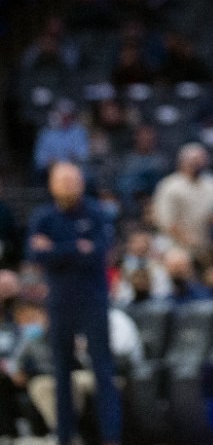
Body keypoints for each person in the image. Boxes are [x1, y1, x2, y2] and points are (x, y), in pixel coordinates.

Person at [26, 161, 121, 445]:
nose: (67, 184)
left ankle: (111, 438)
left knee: (104, 369)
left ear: (81, 182)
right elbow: (35, 255)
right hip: (59, 303)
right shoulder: (43, 216)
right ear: (52, 185)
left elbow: (98, 254)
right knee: (61, 372)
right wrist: (74, 248)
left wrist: (55, 249)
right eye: (62, 179)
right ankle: (65, 437)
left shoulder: (96, 212)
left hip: (93, 301)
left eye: (72, 179)